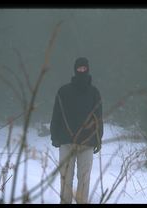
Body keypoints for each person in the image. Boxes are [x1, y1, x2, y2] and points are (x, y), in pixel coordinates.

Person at [50, 57, 103, 204]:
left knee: (84, 178)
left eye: (84, 68)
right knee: (66, 177)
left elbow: (98, 117)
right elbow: (57, 115)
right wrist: (54, 135)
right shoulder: (64, 91)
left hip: (87, 142)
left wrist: (99, 139)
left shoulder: (94, 92)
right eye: (79, 68)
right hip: (66, 142)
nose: (82, 71)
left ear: (88, 69)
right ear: (75, 69)